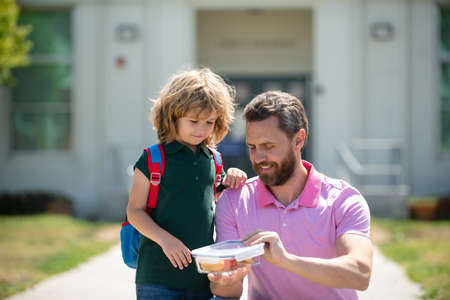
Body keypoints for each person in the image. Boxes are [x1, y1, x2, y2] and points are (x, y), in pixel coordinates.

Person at [209, 91, 373, 300]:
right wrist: (225, 282)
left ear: (298, 140)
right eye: (252, 147)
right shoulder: (233, 201)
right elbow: (229, 290)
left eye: (269, 146)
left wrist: (286, 260)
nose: (259, 157)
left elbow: (360, 274)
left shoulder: (343, 200)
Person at [127, 68, 247, 300]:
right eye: (193, 121)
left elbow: (210, 204)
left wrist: (233, 177)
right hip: (157, 277)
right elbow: (134, 211)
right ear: (172, 117)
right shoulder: (153, 158)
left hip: (201, 276)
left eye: (209, 122)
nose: (201, 129)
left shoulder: (214, 159)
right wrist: (166, 240)